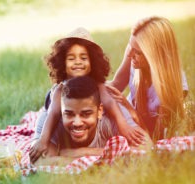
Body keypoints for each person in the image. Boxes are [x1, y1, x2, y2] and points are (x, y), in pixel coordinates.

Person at [29, 27, 145, 164]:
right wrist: (43, 140)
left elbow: (109, 102)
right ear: (62, 62)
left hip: (90, 132)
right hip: (56, 114)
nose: (78, 62)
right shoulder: (59, 90)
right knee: (47, 139)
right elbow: (53, 113)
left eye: (83, 58)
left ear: (92, 62)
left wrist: (123, 125)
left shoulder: (99, 86)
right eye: (71, 58)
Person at [33, 76, 150, 166]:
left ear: (99, 111)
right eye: (69, 114)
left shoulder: (110, 121)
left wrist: (74, 153)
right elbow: (40, 161)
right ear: (60, 110)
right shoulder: (51, 122)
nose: (77, 123)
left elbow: (147, 148)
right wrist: (110, 154)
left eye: (86, 114)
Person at [107, 16, 188, 140]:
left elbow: (155, 136)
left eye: (138, 52)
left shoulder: (173, 86)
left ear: (155, 56)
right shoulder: (134, 54)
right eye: (130, 47)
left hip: (141, 130)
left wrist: (128, 107)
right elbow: (116, 84)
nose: (129, 54)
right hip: (126, 117)